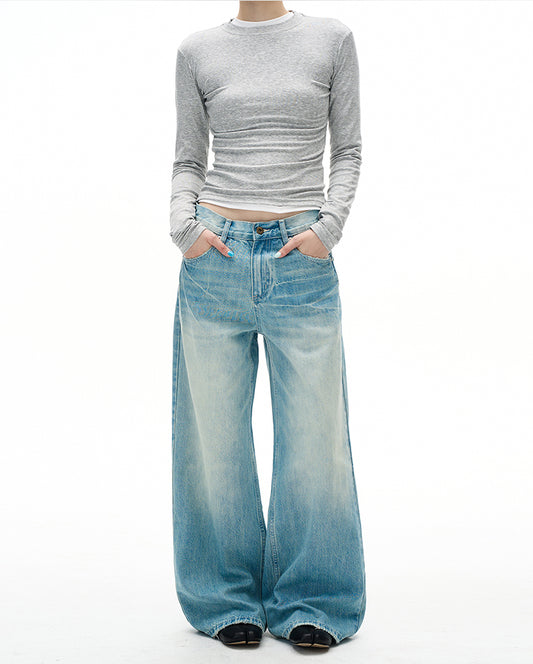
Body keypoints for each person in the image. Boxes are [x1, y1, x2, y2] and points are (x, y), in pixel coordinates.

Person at [169, 1, 366, 649]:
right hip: (213, 257)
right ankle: (224, 599)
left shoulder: (330, 39)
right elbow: (188, 159)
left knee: (314, 438)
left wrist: (327, 228)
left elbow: (348, 150)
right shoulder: (198, 50)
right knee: (213, 441)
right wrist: (183, 226)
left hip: (300, 260)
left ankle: (315, 600)